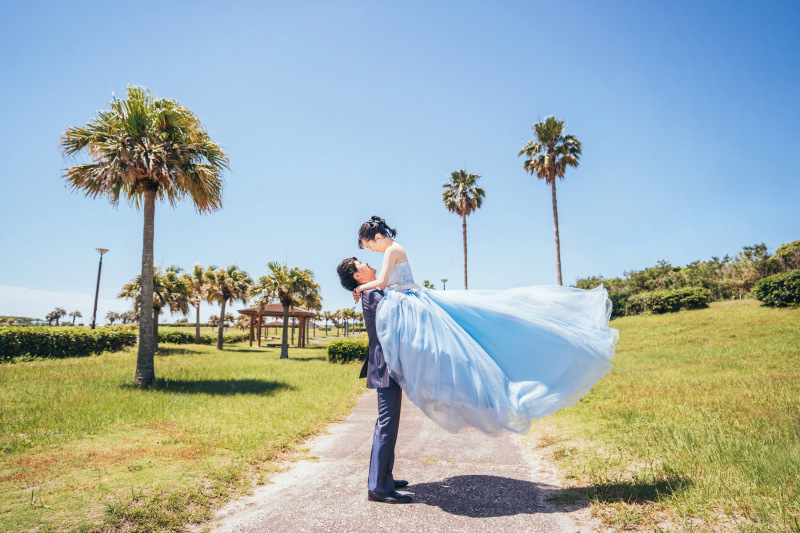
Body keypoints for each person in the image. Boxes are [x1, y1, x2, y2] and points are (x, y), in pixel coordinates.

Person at [338, 215, 619, 437]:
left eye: (369, 246)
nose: (371, 251)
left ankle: (468, 394)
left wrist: (361, 290)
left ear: (376, 237)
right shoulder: (391, 250)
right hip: (411, 300)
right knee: (449, 345)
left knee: (455, 343)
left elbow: (385, 283)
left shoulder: (391, 251)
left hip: (413, 300)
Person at [336, 257, 412, 504]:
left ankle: (384, 476)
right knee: (387, 424)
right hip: (384, 365)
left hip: (386, 364)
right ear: (358, 275)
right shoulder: (372, 295)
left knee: (388, 423)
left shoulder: (370, 291)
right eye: (362, 264)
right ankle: (379, 486)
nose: (368, 263)